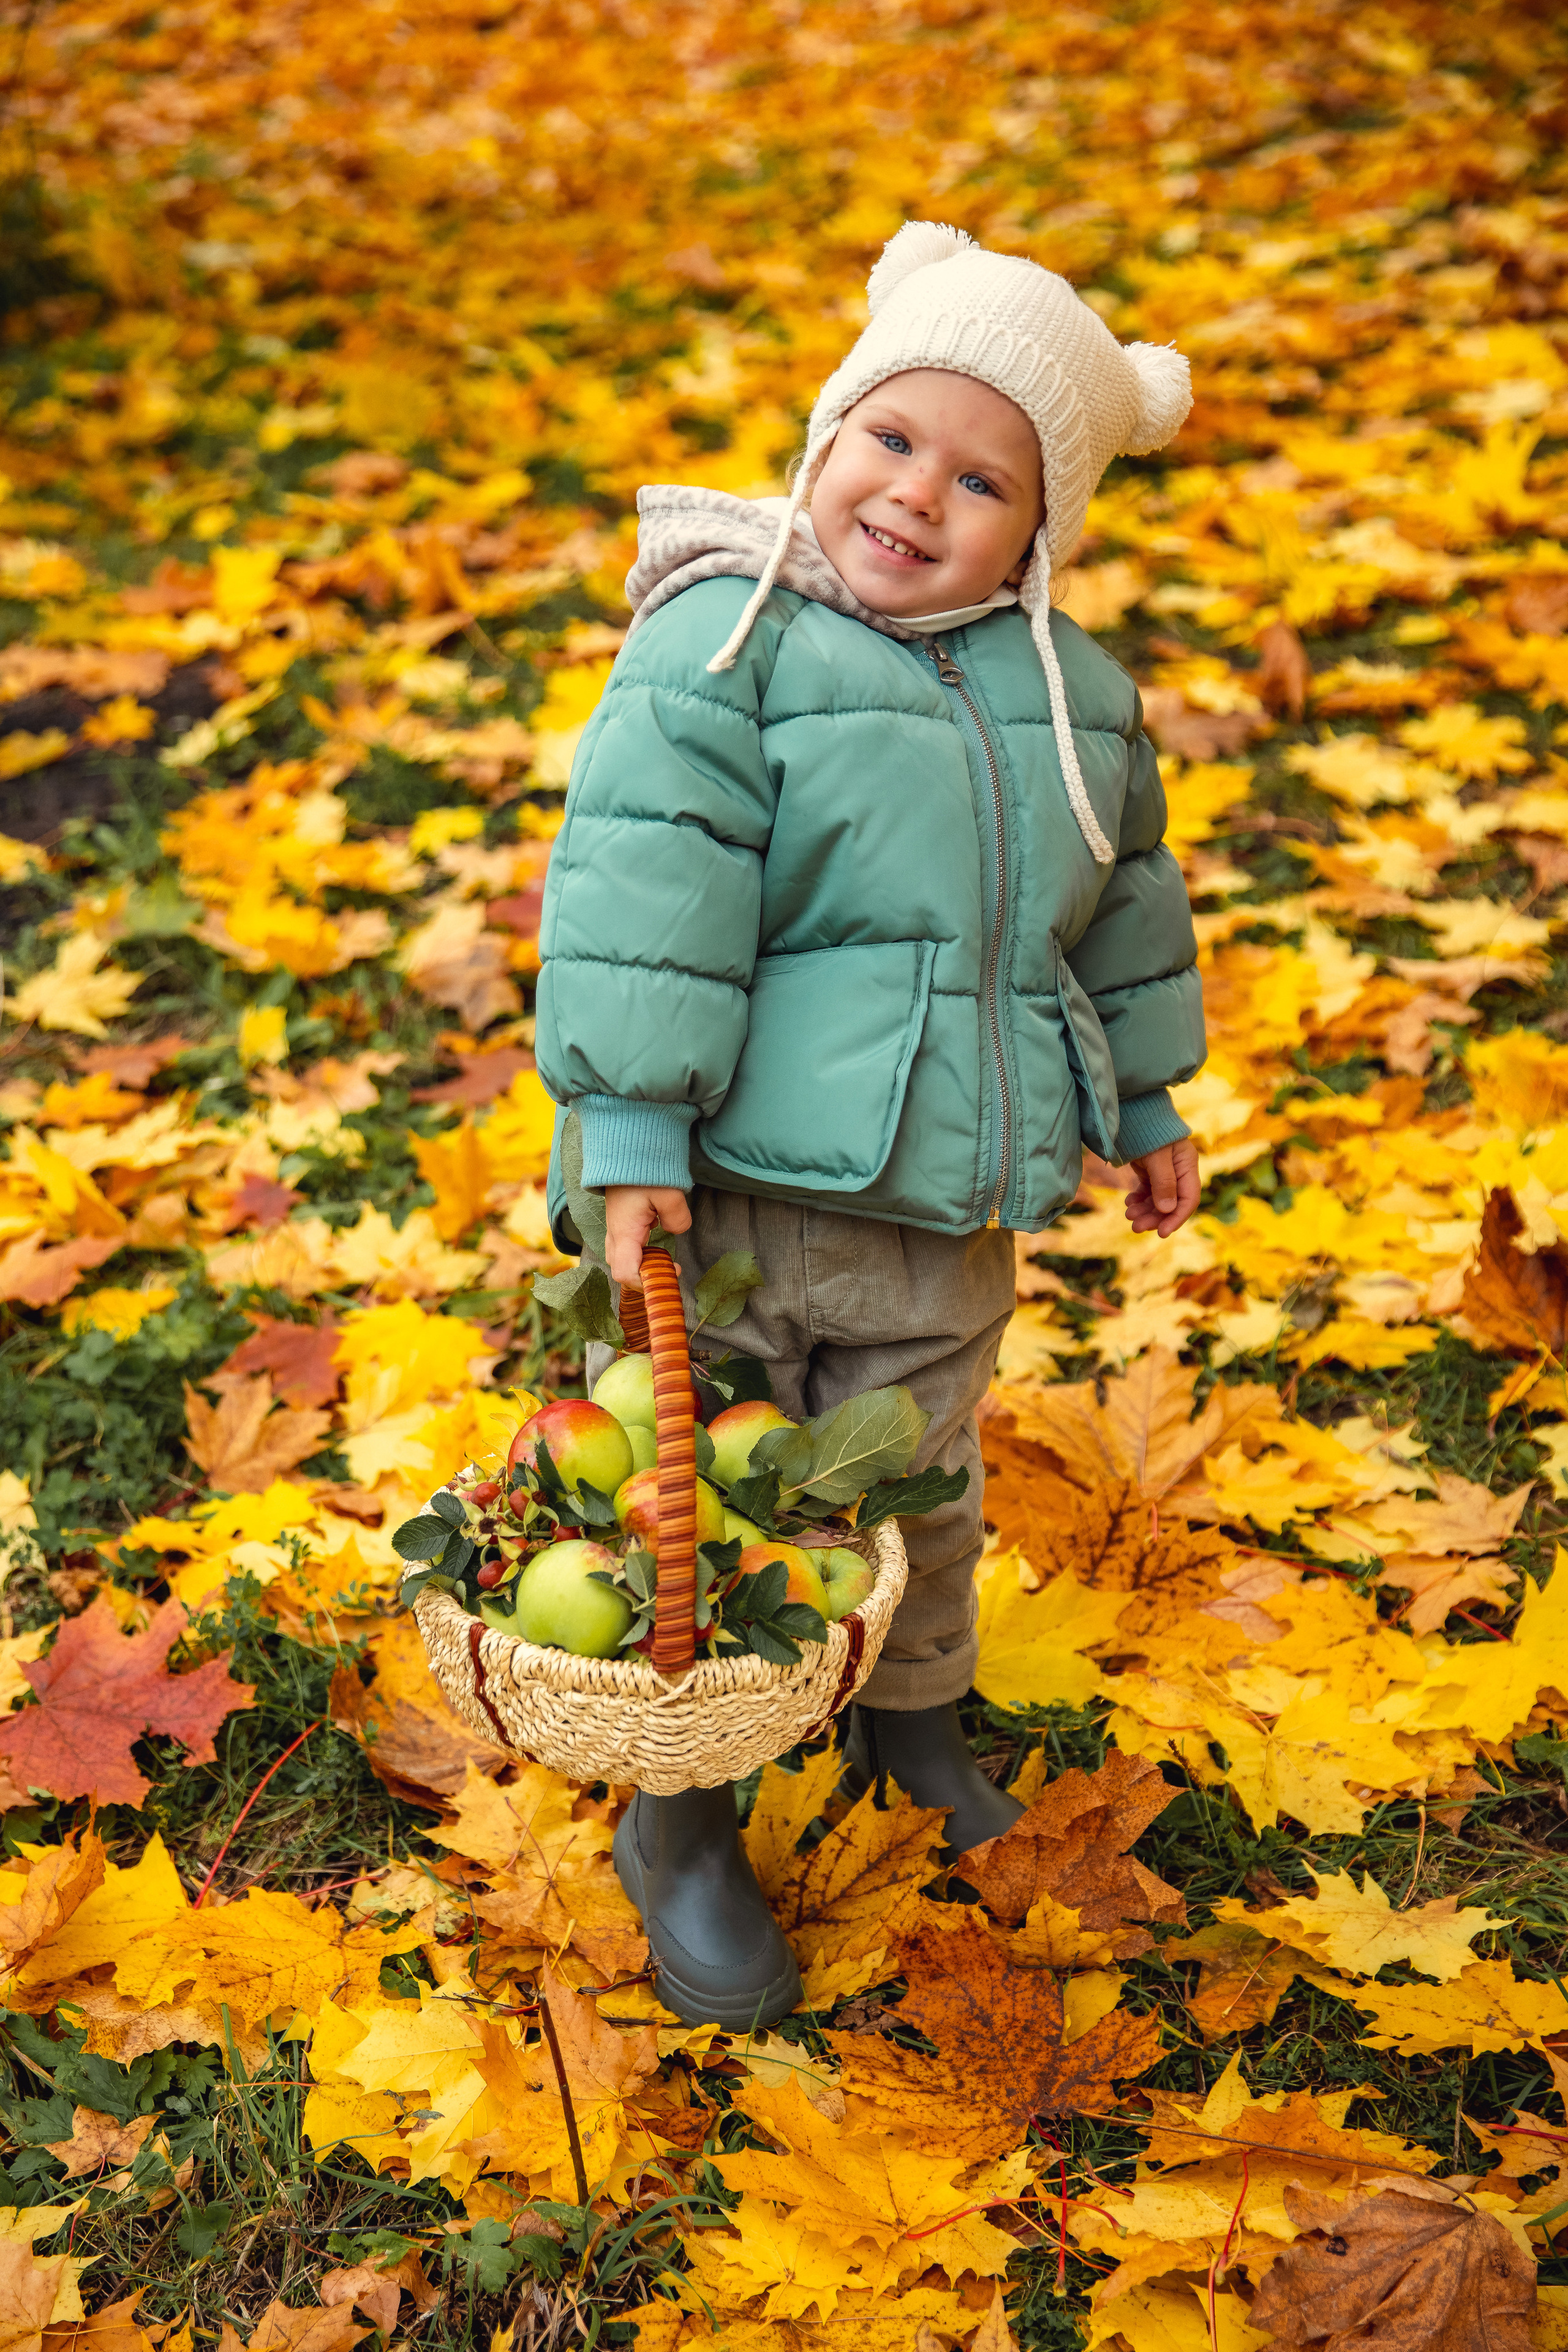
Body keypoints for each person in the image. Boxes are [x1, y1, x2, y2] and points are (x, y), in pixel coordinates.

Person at [535, 221, 1206, 2030]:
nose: (919, 496)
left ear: (1040, 527)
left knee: (916, 1479)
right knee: (713, 1492)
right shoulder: (726, 640)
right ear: (827, 428)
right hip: (732, 1196)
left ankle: (915, 1723)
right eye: (891, 439)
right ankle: (683, 1809)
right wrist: (633, 1133)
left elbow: (1125, 910)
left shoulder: (1073, 693)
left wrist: (1145, 1100)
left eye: (983, 479)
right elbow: (640, 895)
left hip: (947, 1205)